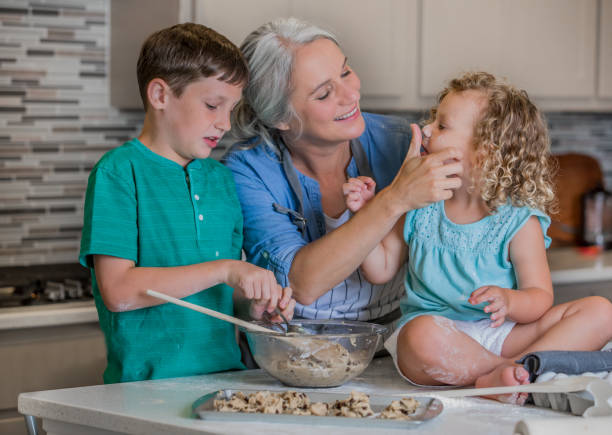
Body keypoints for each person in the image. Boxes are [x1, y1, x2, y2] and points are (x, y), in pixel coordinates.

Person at [344, 71, 612, 403]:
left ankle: (507, 371)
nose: (426, 130)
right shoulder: (421, 202)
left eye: (442, 126)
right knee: (418, 335)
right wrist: (367, 213)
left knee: (601, 311)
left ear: (483, 151)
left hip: (503, 333)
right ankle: (514, 374)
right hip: (442, 337)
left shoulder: (517, 219)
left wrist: (510, 301)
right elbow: (381, 268)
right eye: (432, 120)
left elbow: (540, 297)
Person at [79, 23, 294, 384]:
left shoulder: (222, 181)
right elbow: (118, 292)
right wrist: (226, 270)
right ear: (160, 95)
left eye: (231, 109)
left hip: (227, 384)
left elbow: (221, 294)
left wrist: (253, 309)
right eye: (212, 105)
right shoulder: (118, 173)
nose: (225, 123)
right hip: (145, 390)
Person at [223, 18, 462, 337]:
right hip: (295, 351)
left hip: (401, 345)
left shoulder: (403, 142)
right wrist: (396, 198)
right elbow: (303, 284)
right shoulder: (248, 171)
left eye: (346, 72)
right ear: (280, 117)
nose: (351, 95)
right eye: (324, 94)